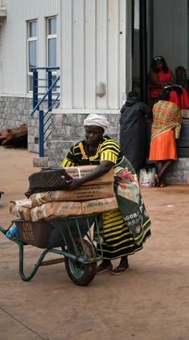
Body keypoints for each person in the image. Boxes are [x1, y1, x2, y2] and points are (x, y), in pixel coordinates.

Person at [62, 114, 151, 275]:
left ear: (102, 132)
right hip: (101, 188)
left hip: (122, 188)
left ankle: (124, 261)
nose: (90, 136)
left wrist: (79, 182)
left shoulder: (109, 145)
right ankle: (106, 261)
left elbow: (105, 167)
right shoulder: (78, 149)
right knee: (101, 224)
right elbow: (64, 170)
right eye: (88, 132)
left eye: (94, 133)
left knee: (118, 223)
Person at [150, 90, 181, 187]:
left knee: (159, 159)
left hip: (155, 134)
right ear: (169, 97)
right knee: (171, 157)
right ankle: (159, 176)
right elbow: (179, 120)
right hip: (167, 134)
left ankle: (161, 182)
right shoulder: (173, 106)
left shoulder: (155, 106)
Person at [119, 91, 151, 173]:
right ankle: (134, 171)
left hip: (124, 133)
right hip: (136, 133)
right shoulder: (140, 105)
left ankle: (126, 169)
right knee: (136, 151)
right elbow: (150, 113)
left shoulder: (124, 107)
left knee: (126, 151)